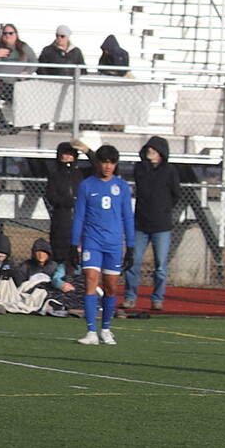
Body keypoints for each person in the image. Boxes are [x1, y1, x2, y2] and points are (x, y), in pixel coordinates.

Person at [72, 145, 134, 344]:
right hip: (92, 241)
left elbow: (128, 217)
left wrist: (131, 246)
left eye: (111, 162)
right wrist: (74, 244)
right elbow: (79, 217)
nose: (108, 166)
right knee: (90, 279)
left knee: (111, 287)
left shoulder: (122, 187)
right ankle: (91, 331)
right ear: (97, 162)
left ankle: (106, 328)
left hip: (114, 244)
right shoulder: (86, 185)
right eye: (104, 162)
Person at [123, 135, 181, 312]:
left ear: (161, 153)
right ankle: (130, 297)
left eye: (154, 150)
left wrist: (163, 210)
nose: (150, 152)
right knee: (133, 262)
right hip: (140, 224)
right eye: (149, 149)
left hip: (161, 226)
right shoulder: (140, 169)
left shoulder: (170, 171)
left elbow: (175, 194)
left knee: (161, 265)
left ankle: (157, 298)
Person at [37, 141, 82, 265]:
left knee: (79, 256)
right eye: (64, 154)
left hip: (80, 220)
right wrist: (70, 201)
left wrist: (87, 150)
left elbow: (97, 165)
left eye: (70, 154)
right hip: (61, 220)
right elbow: (51, 196)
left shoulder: (81, 174)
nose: (67, 157)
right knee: (60, 255)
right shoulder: (55, 175)